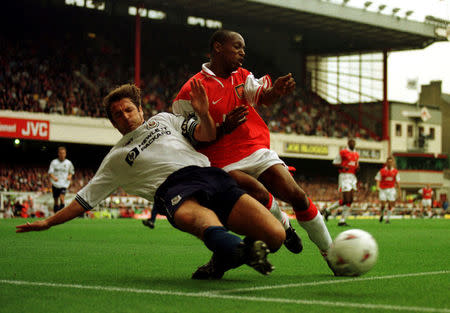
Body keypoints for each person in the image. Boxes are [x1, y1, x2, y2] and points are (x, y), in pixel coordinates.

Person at [16, 82, 286, 279]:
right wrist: (48, 222)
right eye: (118, 115)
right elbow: (83, 200)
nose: (125, 116)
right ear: (113, 123)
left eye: (128, 110)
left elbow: (205, 135)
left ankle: (226, 257)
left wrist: (203, 113)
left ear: (140, 110)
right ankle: (238, 250)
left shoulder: (165, 119)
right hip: (173, 189)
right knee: (201, 220)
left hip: (208, 175)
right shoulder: (116, 158)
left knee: (276, 236)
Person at [173, 30, 334, 275]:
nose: (242, 53)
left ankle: (332, 255)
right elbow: (190, 140)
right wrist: (222, 129)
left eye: (244, 48)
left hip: (254, 148)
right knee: (258, 193)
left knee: (297, 195)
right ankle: (284, 227)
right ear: (218, 47)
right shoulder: (190, 91)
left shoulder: (243, 76)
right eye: (237, 47)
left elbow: (263, 97)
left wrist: (276, 92)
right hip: (220, 162)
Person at [324, 138, 359, 226]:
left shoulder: (356, 154)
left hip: (352, 177)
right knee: (346, 199)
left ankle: (340, 219)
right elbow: (335, 163)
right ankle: (329, 210)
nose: (353, 144)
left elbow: (356, 164)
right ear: (348, 143)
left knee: (349, 200)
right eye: (351, 142)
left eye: (354, 142)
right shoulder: (343, 152)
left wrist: (357, 168)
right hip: (344, 176)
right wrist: (343, 167)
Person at [48, 146, 74, 214]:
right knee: (56, 200)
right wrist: (54, 178)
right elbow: (50, 172)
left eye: (63, 153)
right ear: (58, 154)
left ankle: (61, 215)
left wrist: (69, 176)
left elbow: (71, 172)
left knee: (62, 198)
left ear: (65, 154)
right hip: (55, 184)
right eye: (61, 153)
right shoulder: (54, 162)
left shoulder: (68, 163)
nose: (62, 154)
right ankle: (55, 214)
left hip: (64, 184)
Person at [375, 156, 400, 224]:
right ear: (386, 163)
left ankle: (387, 219)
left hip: (391, 189)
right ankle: (382, 214)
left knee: (390, 204)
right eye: (388, 162)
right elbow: (378, 180)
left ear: (393, 163)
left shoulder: (395, 172)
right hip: (383, 189)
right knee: (383, 204)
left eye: (391, 162)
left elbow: (397, 182)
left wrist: (399, 192)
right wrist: (377, 188)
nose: (390, 163)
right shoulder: (382, 171)